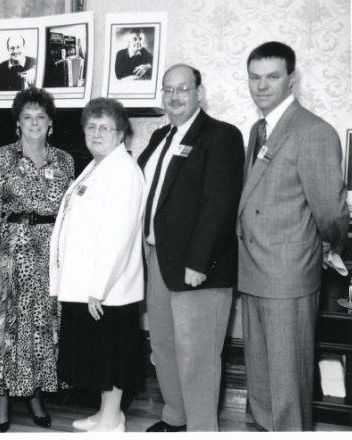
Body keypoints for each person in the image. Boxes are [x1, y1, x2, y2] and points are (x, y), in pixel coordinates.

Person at [238, 41, 349, 431]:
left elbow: (332, 213)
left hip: (288, 276)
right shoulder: (258, 129)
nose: (262, 86)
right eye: (255, 77)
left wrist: (327, 247)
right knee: (262, 381)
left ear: (291, 79)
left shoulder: (313, 131)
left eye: (272, 77)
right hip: (253, 273)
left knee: (288, 382)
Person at [138, 64, 244, 431]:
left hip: (198, 268)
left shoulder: (221, 136)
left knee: (198, 357)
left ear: (199, 93)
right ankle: (175, 416)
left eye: (183, 88)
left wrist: (199, 261)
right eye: (167, 90)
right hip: (158, 261)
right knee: (164, 348)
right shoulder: (160, 138)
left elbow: (220, 204)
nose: (174, 96)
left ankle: (201, 430)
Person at [0, 87, 74, 432]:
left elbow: (71, 214)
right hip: (9, 254)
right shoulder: (2, 158)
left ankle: (34, 394)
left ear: (50, 124)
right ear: (17, 123)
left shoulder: (64, 161)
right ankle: (2, 396)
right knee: (5, 328)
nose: (34, 123)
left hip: (49, 257)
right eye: (27, 117)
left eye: (41, 117)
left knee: (41, 328)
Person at [50, 98, 145, 432]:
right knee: (100, 354)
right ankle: (108, 414)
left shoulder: (123, 170)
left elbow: (118, 236)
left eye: (105, 127)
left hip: (109, 288)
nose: (96, 133)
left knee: (111, 354)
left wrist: (98, 289)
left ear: (120, 133)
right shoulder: (97, 166)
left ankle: (111, 421)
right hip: (90, 284)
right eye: (91, 126)